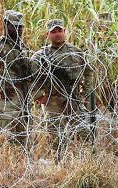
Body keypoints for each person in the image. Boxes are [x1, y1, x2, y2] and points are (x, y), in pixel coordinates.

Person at [31, 19, 92, 157]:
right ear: (48, 34)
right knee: (55, 138)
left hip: (74, 98)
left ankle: (86, 162)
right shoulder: (41, 56)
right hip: (53, 101)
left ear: (64, 32)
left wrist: (85, 91)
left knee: (84, 132)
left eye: (60, 31)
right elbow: (31, 78)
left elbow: (88, 71)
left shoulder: (76, 52)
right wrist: (40, 97)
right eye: (53, 32)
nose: (57, 34)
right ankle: (59, 166)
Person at [0, 10, 36, 146]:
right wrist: (2, 87)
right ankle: (1, 165)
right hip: (5, 100)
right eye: (14, 26)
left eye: (20, 27)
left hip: (21, 97)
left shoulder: (20, 47)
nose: (18, 30)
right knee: (3, 139)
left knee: (22, 139)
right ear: (5, 25)